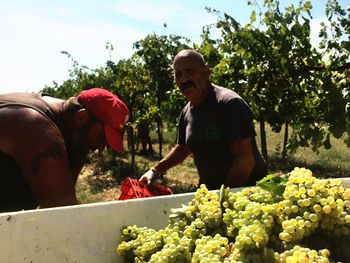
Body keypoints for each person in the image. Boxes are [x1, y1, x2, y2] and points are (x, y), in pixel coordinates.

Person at [140, 49, 267, 190]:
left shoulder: (229, 103)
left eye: (190, 71)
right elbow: (184, 148)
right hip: (213, 194)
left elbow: (245, 160)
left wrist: (223, 200)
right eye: (178, 74)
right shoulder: (186, 112)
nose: (183, 79)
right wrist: (156, 170)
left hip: (247, 194)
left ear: (206, 71)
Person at [0, 88, 129, 212]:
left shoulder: (70, 123)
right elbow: (63, 213)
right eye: (101, 138)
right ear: (81, 117)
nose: (101, 149)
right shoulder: (38, 130)